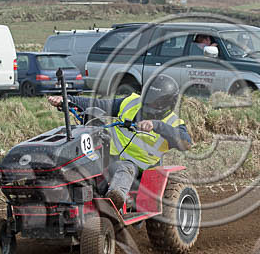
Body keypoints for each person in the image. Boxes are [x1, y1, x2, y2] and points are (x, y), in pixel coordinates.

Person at [47, 74, 192, 209]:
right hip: (108, 155)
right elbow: (99, 104)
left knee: (125, 167)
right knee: (80, 159)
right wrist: (68, 100)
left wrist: (157, 125)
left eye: (153, 104)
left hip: (139, 167)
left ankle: (115, 199)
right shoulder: (131, 102)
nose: (148, 106)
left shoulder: (174, 123)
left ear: (166, 104)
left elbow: (186, 143)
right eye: (146, 101)